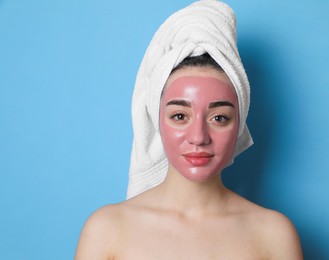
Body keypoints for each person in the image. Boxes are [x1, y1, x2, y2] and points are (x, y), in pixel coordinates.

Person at [75, 1, 303, 259]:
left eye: (219, 118)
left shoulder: (273, 234)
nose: (198, 137)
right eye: (180, 116)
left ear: (239, 124)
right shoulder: (106, 229)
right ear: (156, 119)